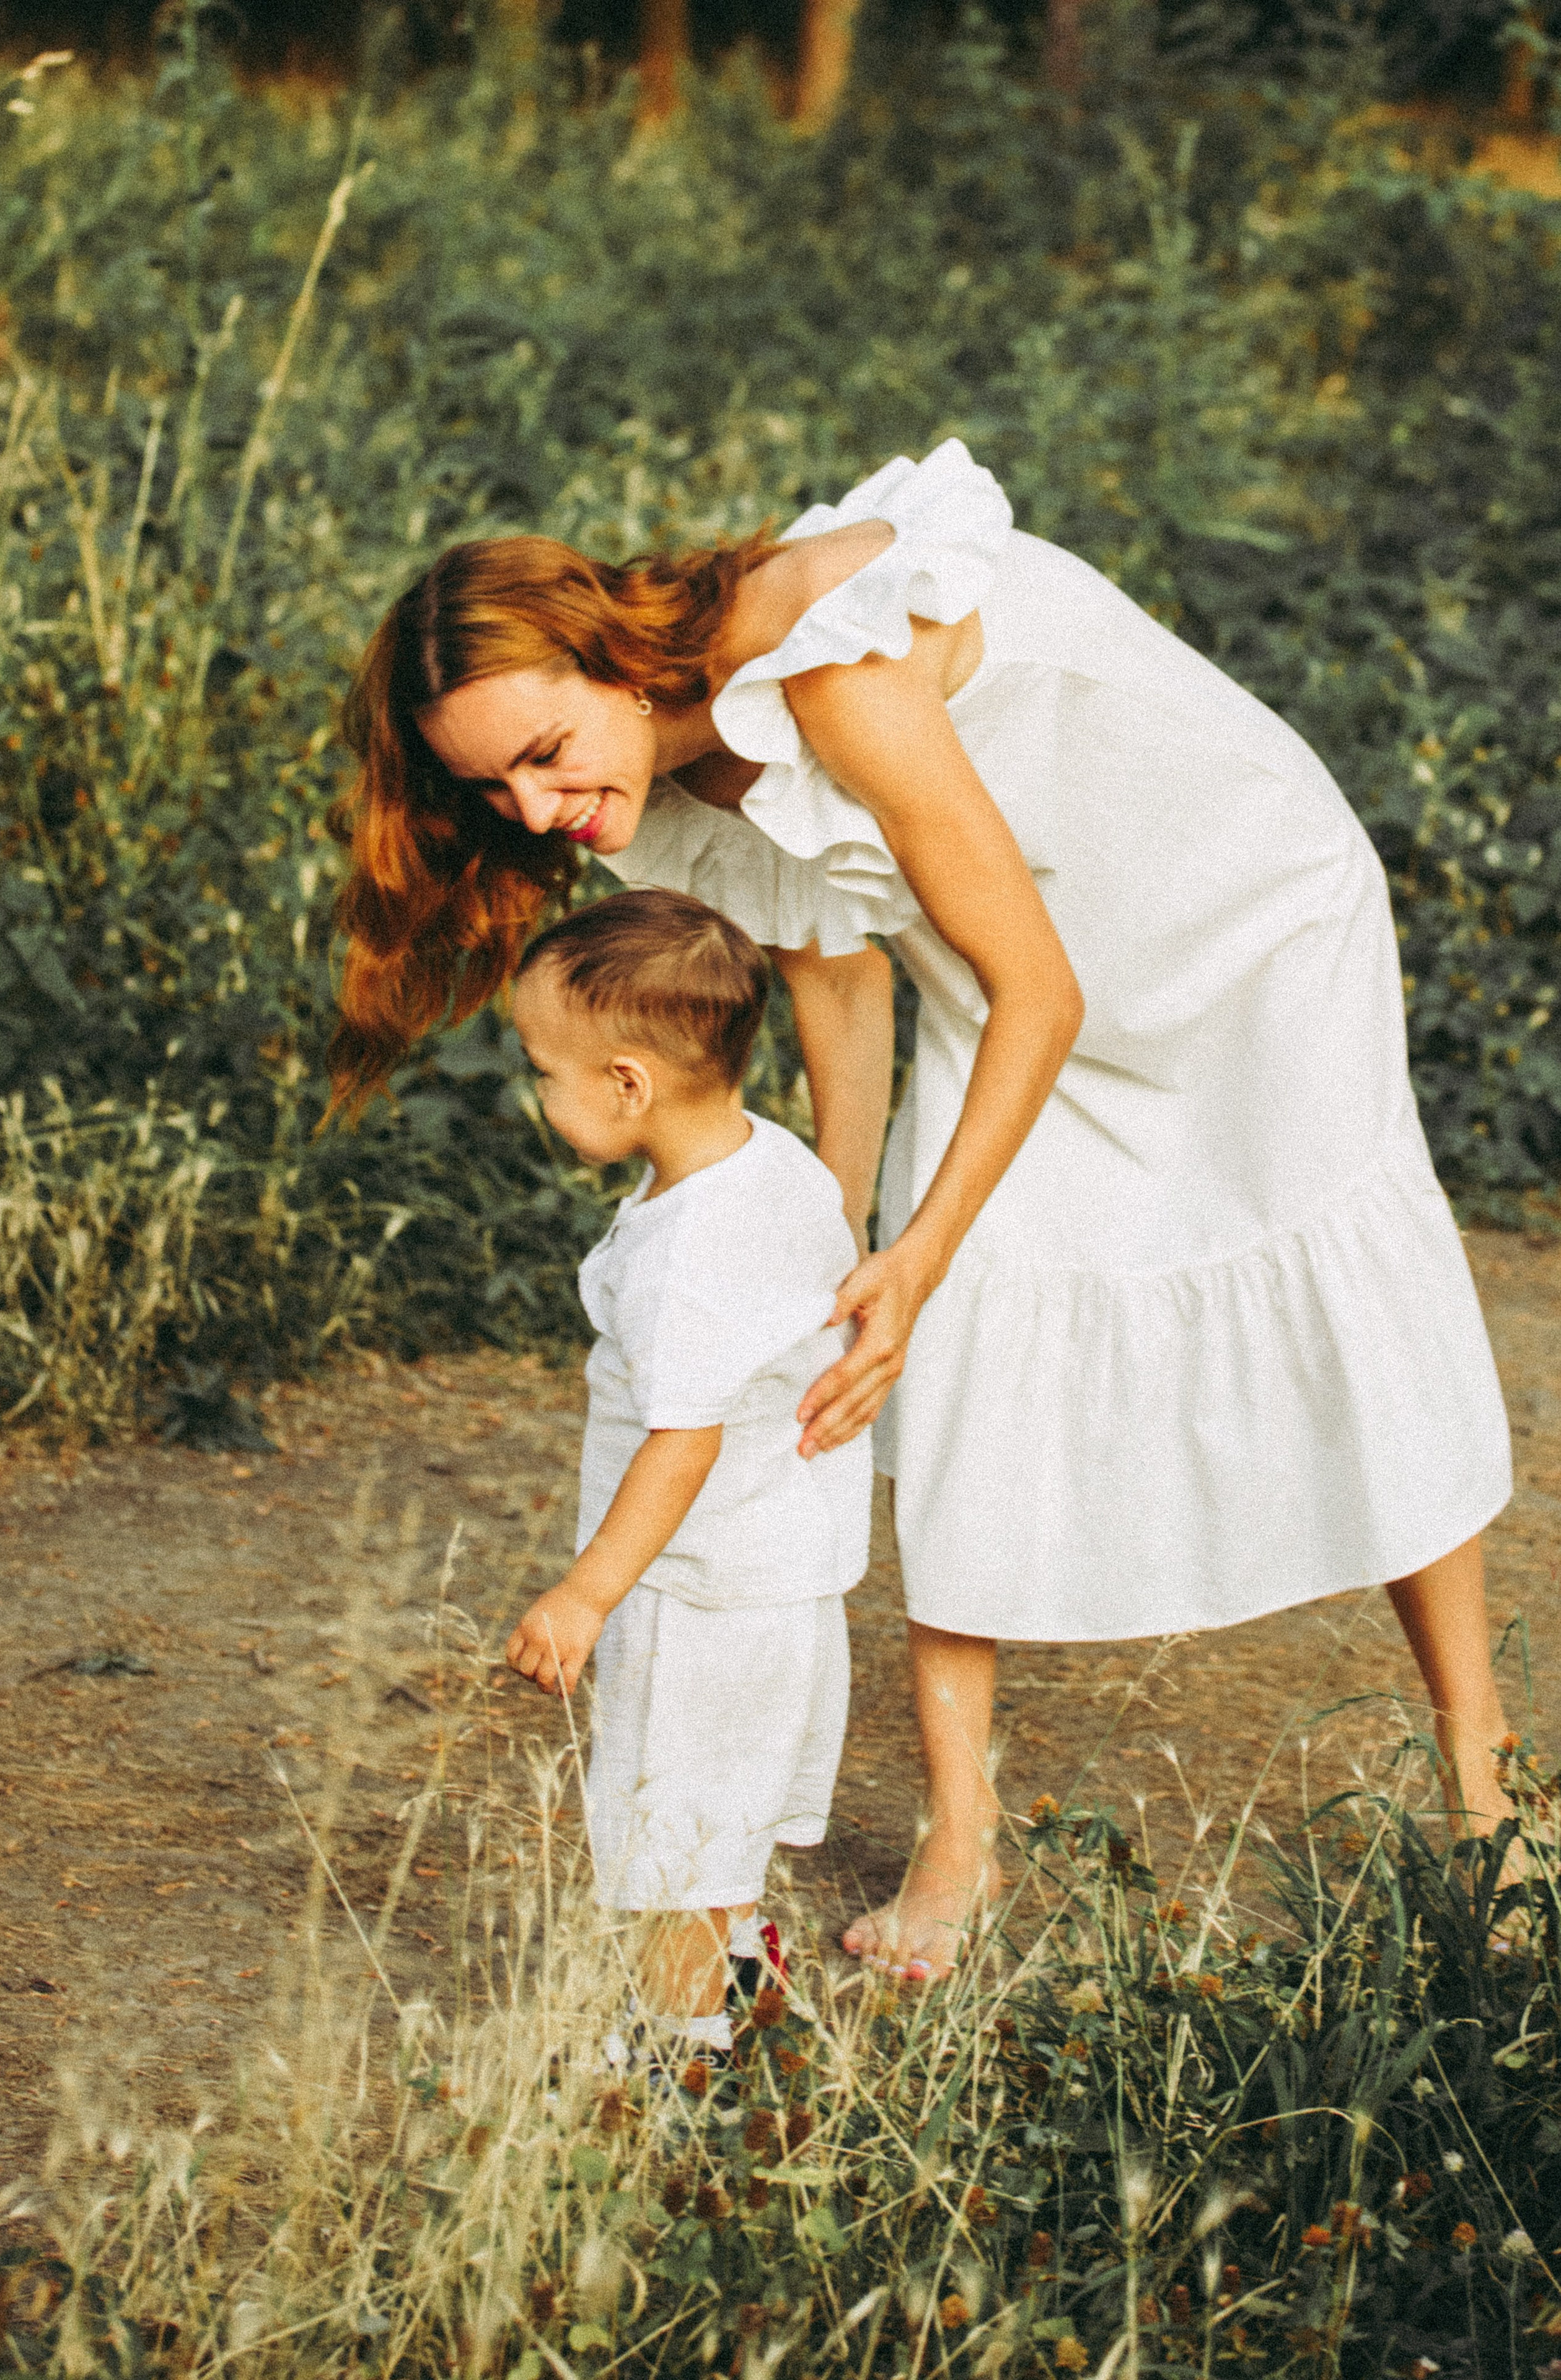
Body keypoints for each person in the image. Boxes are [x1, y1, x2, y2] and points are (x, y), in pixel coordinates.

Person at [331, 437, 1516, 1981]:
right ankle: (964, 1836)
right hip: (1010, 936)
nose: (537, 804)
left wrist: (921, 1245)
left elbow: (1042, 992)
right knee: (943, 1347)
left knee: (1334, 1296)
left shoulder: (825, 669)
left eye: (546, 752)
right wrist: (842, 1244)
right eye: (494, 786)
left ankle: (1482, 1779)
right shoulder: (660, 780)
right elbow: (837, 974)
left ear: (613, 657)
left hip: (1234, 912)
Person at [500, 888, 871, 2048]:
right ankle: (746, 1973)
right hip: (782, 1567)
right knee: (725, 1801)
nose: (538, 1093)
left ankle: (677, 2054)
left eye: (544, 1071)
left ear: (628, 1083)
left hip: (700, 1588)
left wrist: (587, 1593)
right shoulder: (779, 1165)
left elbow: (684, 1440)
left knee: (675, 1834)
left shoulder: (687, 1258)